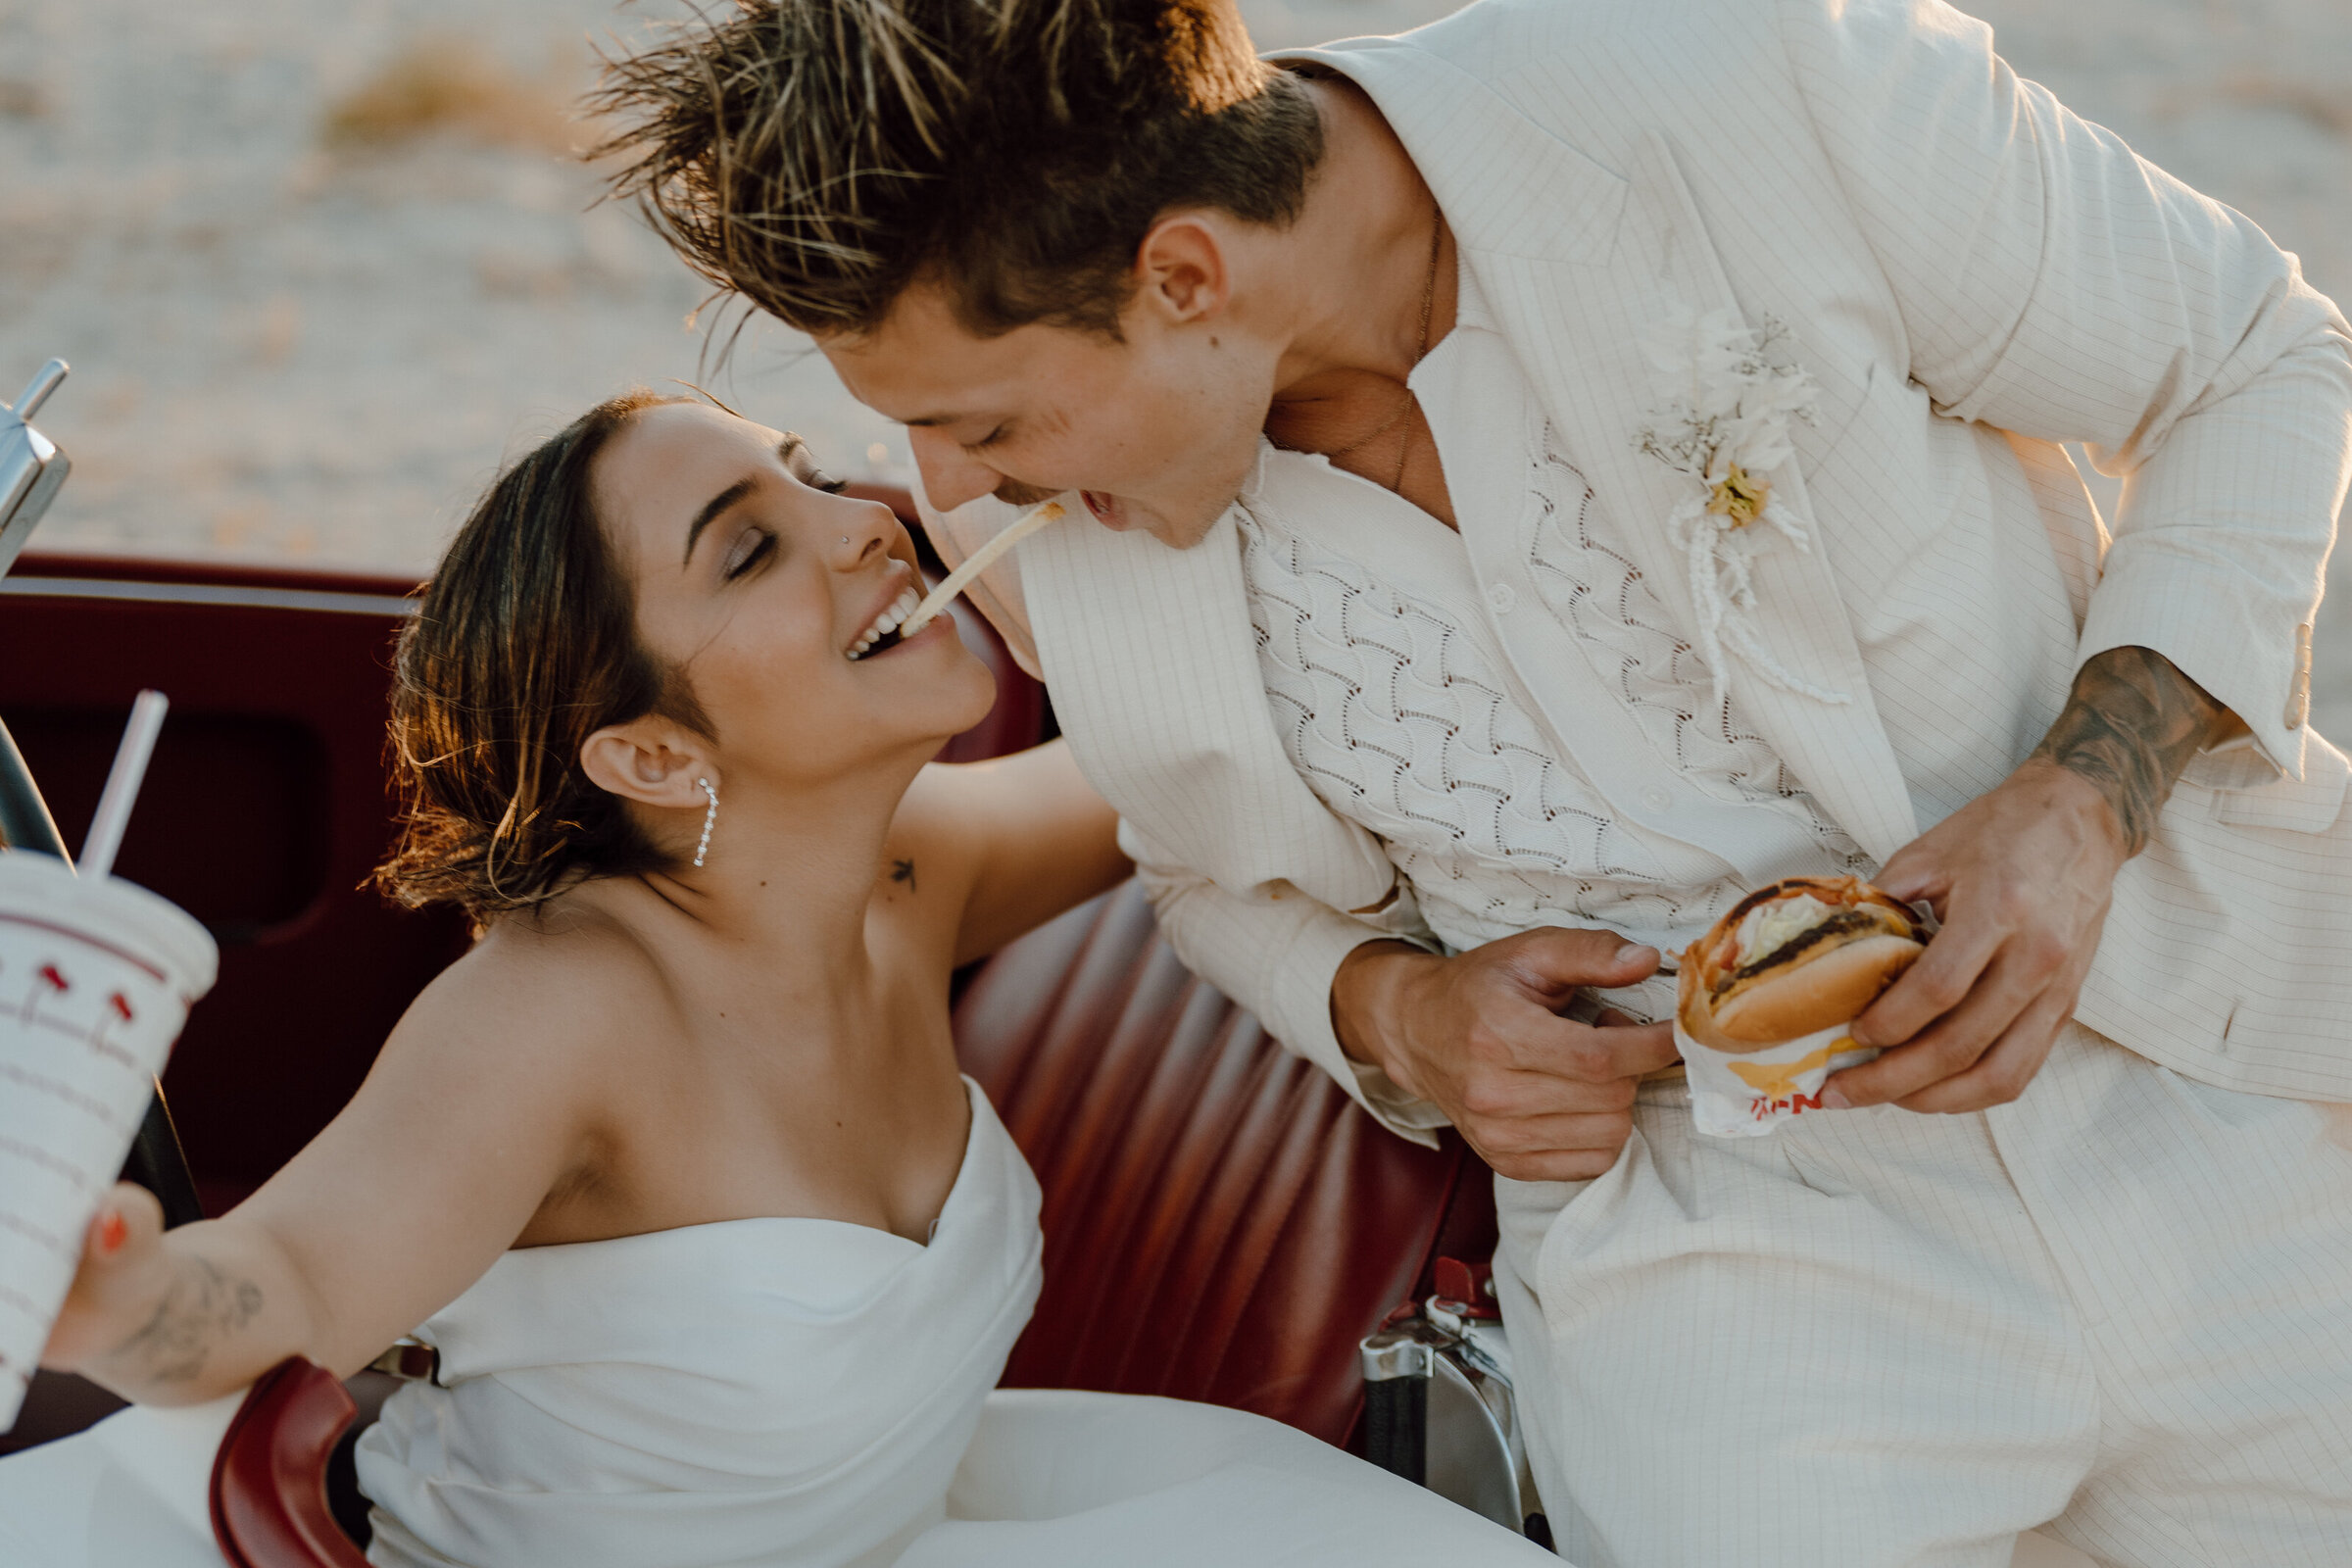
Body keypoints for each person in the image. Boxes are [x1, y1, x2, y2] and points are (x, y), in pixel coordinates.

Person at [596, 0, 2352, 1562]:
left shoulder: (1753, 82)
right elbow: (1209, 879)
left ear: (1187, 277)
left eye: (986, 419)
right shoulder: (1045, 534)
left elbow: (2263, 358)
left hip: (2223, 1068)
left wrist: (2082, 802)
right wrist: (1395, 1012)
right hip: (1722, 1254)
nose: (945, 491)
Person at [0, 392, 1556, 1568]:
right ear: (656, 754)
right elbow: (288, 1286)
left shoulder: (912, 869)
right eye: (752, 543)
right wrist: (111, 1295)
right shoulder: (562, 1009)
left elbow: (1192, 757)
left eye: (810, 472)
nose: (865, 517)